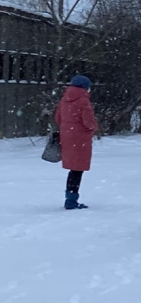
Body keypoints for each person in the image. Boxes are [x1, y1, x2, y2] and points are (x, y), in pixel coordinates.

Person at [55, 75, 98, 209]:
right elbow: (88, 122)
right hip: (80, 139)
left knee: (73, 169)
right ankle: (71, 200)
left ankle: (70, 197)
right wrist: (95, 127)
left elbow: (58, 118)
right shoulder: (83, 101)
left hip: (67, 137)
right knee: (77, 170)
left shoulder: (64, 99)